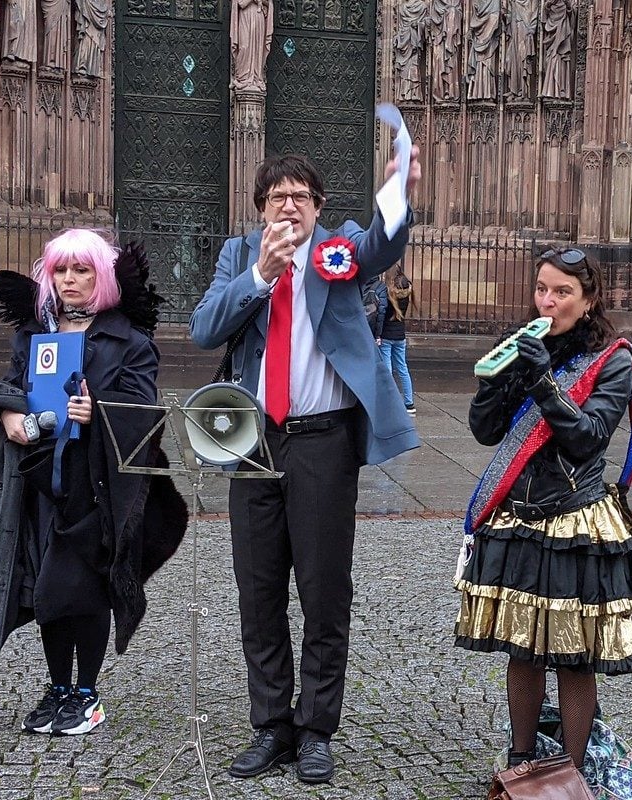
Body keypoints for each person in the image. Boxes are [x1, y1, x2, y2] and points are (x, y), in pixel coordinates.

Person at [189, 151, 421, 784]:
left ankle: (316, 728)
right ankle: (271, 725)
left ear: (318, 207)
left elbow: (381, 245)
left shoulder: (338, 249)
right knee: (258, 589)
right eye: (276, 197)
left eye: (300, 196)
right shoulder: (240, 255)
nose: (288, 206)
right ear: (261, 208)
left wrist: (397, 194)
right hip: (254, 443)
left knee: (323, 590)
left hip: (323, 442)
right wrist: (259, 276)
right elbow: (204, 328)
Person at [0, 229, 188, 738]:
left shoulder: (129, 341)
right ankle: (58, 689)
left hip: (96, 483)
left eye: (82, 270)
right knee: (45, 590)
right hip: (40, 476)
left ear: (102, 277)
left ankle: (87, 694)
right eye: (60, 270)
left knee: (84, 589)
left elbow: (144, 410)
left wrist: (100, 412)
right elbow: (14, 387)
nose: (69, 279)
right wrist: (6, 415)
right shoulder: (34, 334)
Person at [458, 247, 632, 786]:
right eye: (542, 288)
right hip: (517, 519)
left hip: (574, 523)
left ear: (589, 300)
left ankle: (571, 775)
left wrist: (543, 382)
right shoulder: (525, 345)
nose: (548, 301)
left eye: (563, 292)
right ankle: (521, 765)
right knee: (522, 649)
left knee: (573, 655)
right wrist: (494, 382)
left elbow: (587, 440)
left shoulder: (613, 360)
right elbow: (486, 432)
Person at [373, 270, 417, 414]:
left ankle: (389, 402)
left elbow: (381, 315)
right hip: (400, 337)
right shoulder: (407, 296)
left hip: (386, 336)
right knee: (403, 368)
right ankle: (409, 403)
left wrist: (377, 334)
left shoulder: (389, 296)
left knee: (387, 370)